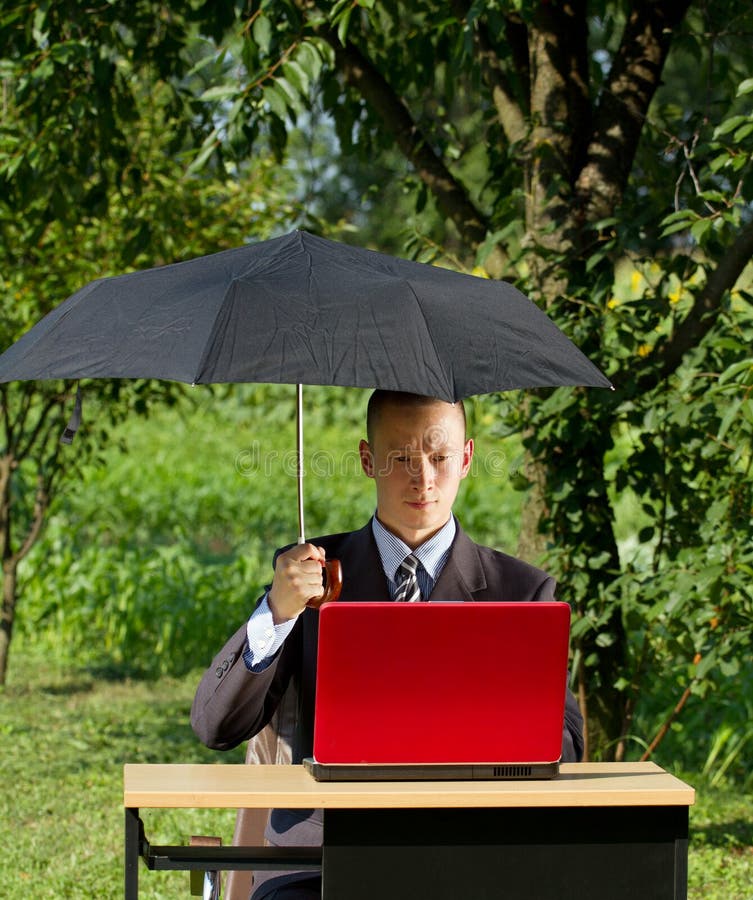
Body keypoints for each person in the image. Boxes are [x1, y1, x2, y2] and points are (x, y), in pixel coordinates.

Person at [191, 390, 584, 899]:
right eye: (400, 458)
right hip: (321, 862)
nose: (423, 479)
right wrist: (277, 612)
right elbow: (215, 726)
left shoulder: (522, 591)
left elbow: (568, 748)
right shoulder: (309, 579)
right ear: (367, 460)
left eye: (439, 457)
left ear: (465, 458)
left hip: (470, 858)